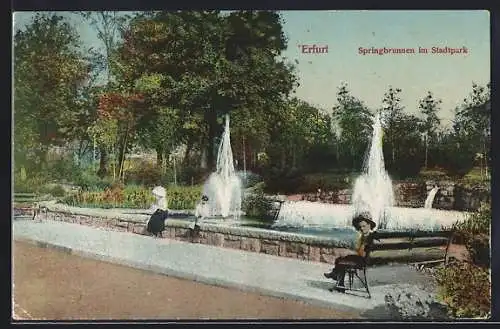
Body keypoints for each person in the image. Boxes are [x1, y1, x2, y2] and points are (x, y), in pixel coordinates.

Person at [323, 212, 377, 293]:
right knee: (340, 259)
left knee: (341, 261)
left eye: (364, 226)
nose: (361, 228)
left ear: (369, 225)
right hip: (364, 259)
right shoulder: (366, 236)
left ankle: (337, 280)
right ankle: (337, 279)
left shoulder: (368, 238)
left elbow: (362, 253)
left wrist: (351, 252)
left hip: (362, 261)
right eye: (360, 227)